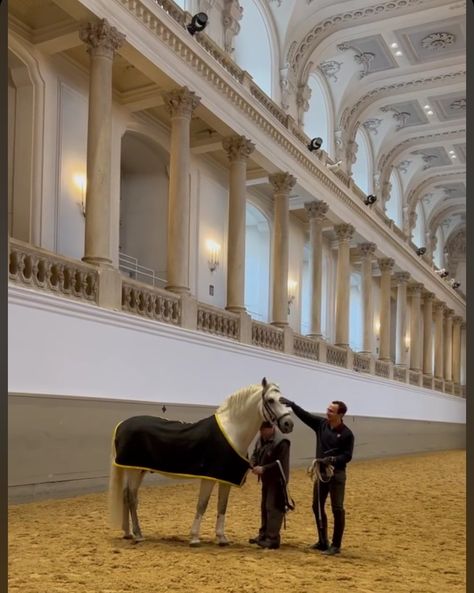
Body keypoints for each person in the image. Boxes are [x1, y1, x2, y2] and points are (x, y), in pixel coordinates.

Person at [280, 398, 354, 556]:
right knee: (317, 506)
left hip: (336, 474)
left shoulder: (347, 434)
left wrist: (333, 459)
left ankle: (336, 545)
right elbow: (306, 416)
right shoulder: (321, 425)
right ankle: (322, 541)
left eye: (331, 411)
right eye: (327, 409)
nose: (327, 412)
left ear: (340, 414)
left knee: (337, 508)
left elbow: (347, 456)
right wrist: (293, 405)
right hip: (321, 473)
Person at [248, 421, 291, 549]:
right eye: (260, 430)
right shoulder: (261, 438)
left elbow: (279, 463)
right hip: (266, 479)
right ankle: (263, 535)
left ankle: (273, 538)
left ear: (272, 428)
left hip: (278, 479)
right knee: (264, 506)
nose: (262, 433)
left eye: (264, 430)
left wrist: (263, 469)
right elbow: (255, 453)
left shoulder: (282, 442)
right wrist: (253, 463)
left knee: (273, 508)